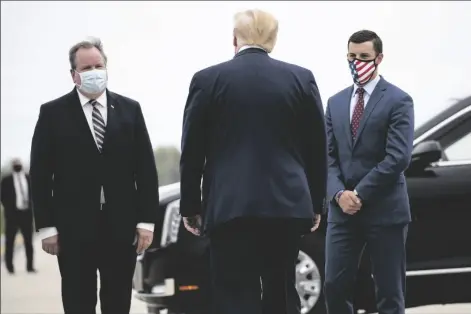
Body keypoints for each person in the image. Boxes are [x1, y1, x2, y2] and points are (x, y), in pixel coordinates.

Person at [179, 9, 327, 314]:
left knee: (234, 294)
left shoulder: (207, 80)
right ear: (273, 40)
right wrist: (315, 204)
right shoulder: (301, 78)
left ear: (234, 38)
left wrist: (191, 207)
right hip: (286, 206)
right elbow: (317, 149)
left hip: (229, 206)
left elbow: (192, 151)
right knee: (282, 292)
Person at [29, 37, 159, 314]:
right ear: (73, 74)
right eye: (86, 68)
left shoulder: (130, 110)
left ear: (107, 67)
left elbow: (145, 169)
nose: (93, 72)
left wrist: (147, 221)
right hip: (73, 228)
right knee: (78, 300)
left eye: (98, 65)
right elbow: (40, 176)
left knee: (118, 300)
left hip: (121, 226)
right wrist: (47, 227)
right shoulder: (52, 113)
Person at [324, 30, 415, 314]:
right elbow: (326, 157)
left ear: (379, 58)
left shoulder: (399, 100)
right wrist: (339, 194)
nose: (357, 62)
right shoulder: (335, 103)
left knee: (389, 293)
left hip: (385, 210)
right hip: (342, 212)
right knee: (334, 287)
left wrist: (360, 193)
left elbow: (398, 157)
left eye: (364, 57)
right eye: (352, 56)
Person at [1, 158, 36, 274]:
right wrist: (9, 208)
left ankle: (30, 266)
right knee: (10, 242)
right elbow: (2, 197)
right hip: (12, 216)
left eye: (19, 164)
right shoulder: (6, 180)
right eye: (15, 164)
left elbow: (33, 194)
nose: (17, 166)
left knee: (29, 242)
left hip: (26, 214)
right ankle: (10, 267)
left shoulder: (28, 178)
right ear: (12, 166)